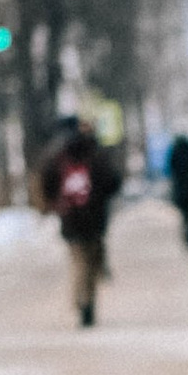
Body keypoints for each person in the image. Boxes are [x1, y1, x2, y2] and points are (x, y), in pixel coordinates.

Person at [37, 114, 122, 327]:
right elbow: (112, 181)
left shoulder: (56, 154)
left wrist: (54, 202)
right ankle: (88, 302)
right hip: (94, 216)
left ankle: (80, 300)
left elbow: (46, 181)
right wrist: (100, 198)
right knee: (92, 260)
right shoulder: (94, 150)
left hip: (69, 216)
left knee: (77, 259)